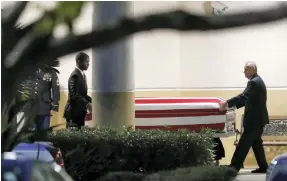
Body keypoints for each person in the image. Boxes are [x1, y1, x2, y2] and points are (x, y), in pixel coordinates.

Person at [219, 61, 269, 173]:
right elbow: (247, 99)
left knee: (243, 144)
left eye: (246, 69)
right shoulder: (257, 81)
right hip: (258, 120)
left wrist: (227, 103)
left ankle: (233, 167)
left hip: (254, 120)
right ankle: (263, 167)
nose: (244, 72)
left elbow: (244, 97)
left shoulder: (254, 82)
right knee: (256, 144)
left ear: (253, 69)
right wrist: (232, 106)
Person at [16, 60, 60, 130]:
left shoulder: (51, 72)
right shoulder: (29, 70)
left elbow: (56, 89)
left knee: (43, 133)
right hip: (30, 108)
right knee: (30, 134)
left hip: (44, 107)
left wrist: (55, 106)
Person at [64, 52, 92, 128]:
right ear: (79, 61)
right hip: (73, 114)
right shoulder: (75, 75)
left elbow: (83, 95)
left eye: (88, 62)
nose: (88, 64)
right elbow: (74, 95)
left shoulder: (82, 75)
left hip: (80, 113)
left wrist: (93, 101)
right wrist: (87, 104)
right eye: (86, 62)